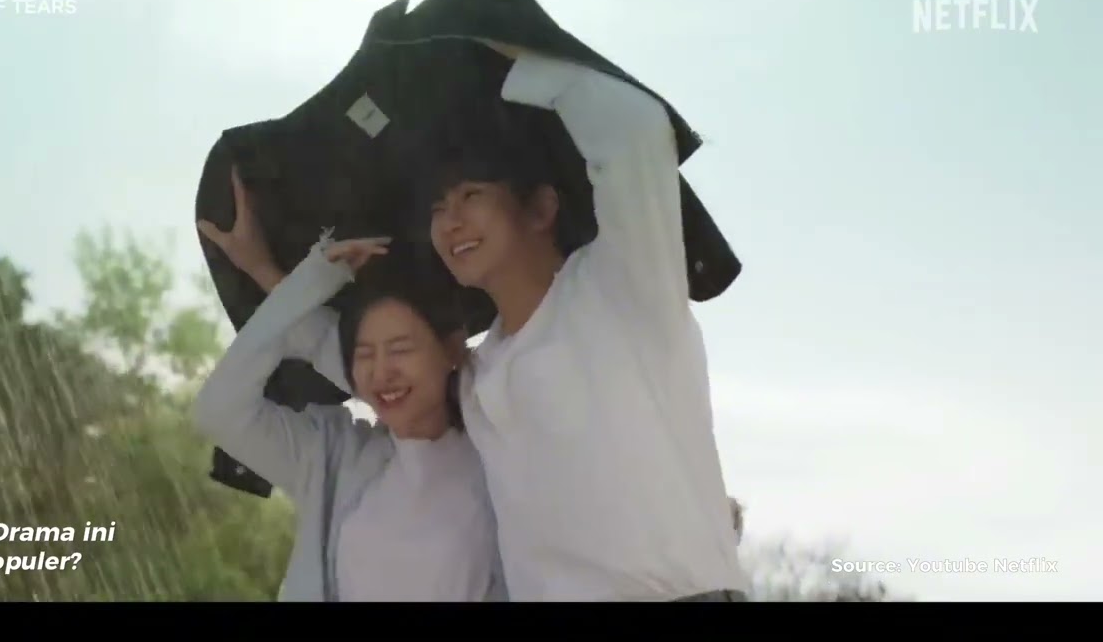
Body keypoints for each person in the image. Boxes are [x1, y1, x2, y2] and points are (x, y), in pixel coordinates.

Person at [414, 42, 749, 601]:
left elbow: (637, 129)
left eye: (471, 195)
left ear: (541, 209)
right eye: (437, 208)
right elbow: (368, 362)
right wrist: (280, 274)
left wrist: (505, 46)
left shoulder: (620, 283)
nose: (451, 222)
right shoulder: (475, 376)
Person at [192, 169, 504, 602]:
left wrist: (274, 276)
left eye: (400, 348)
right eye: (364, 354)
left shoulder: (501, 451)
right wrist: (303, 281)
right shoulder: (332, 458)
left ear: (451, 348)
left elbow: (336, 349)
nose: (381, 371)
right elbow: (218, 409)